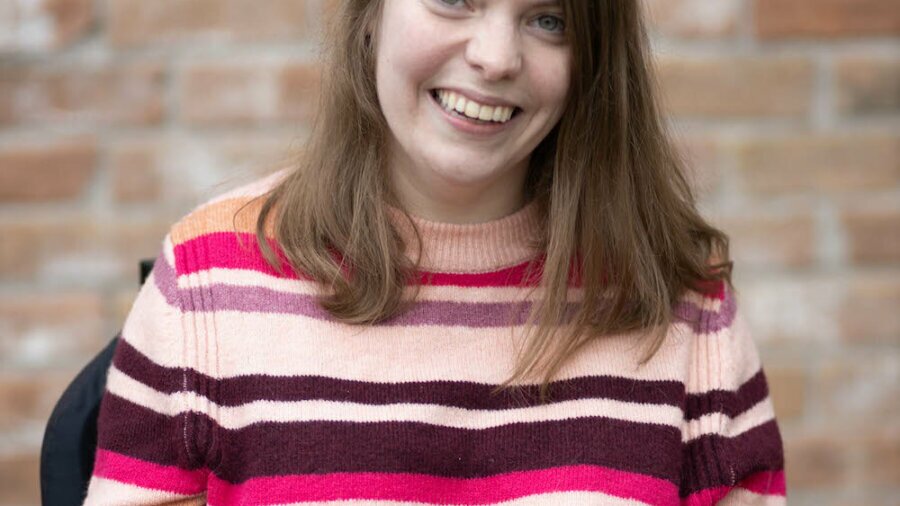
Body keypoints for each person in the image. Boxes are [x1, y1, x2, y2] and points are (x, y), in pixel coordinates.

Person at [83, 0, 786, 504]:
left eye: (549, 20)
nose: (495, 56)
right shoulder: (209, 282)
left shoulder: (686, 305)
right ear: (370, 16)